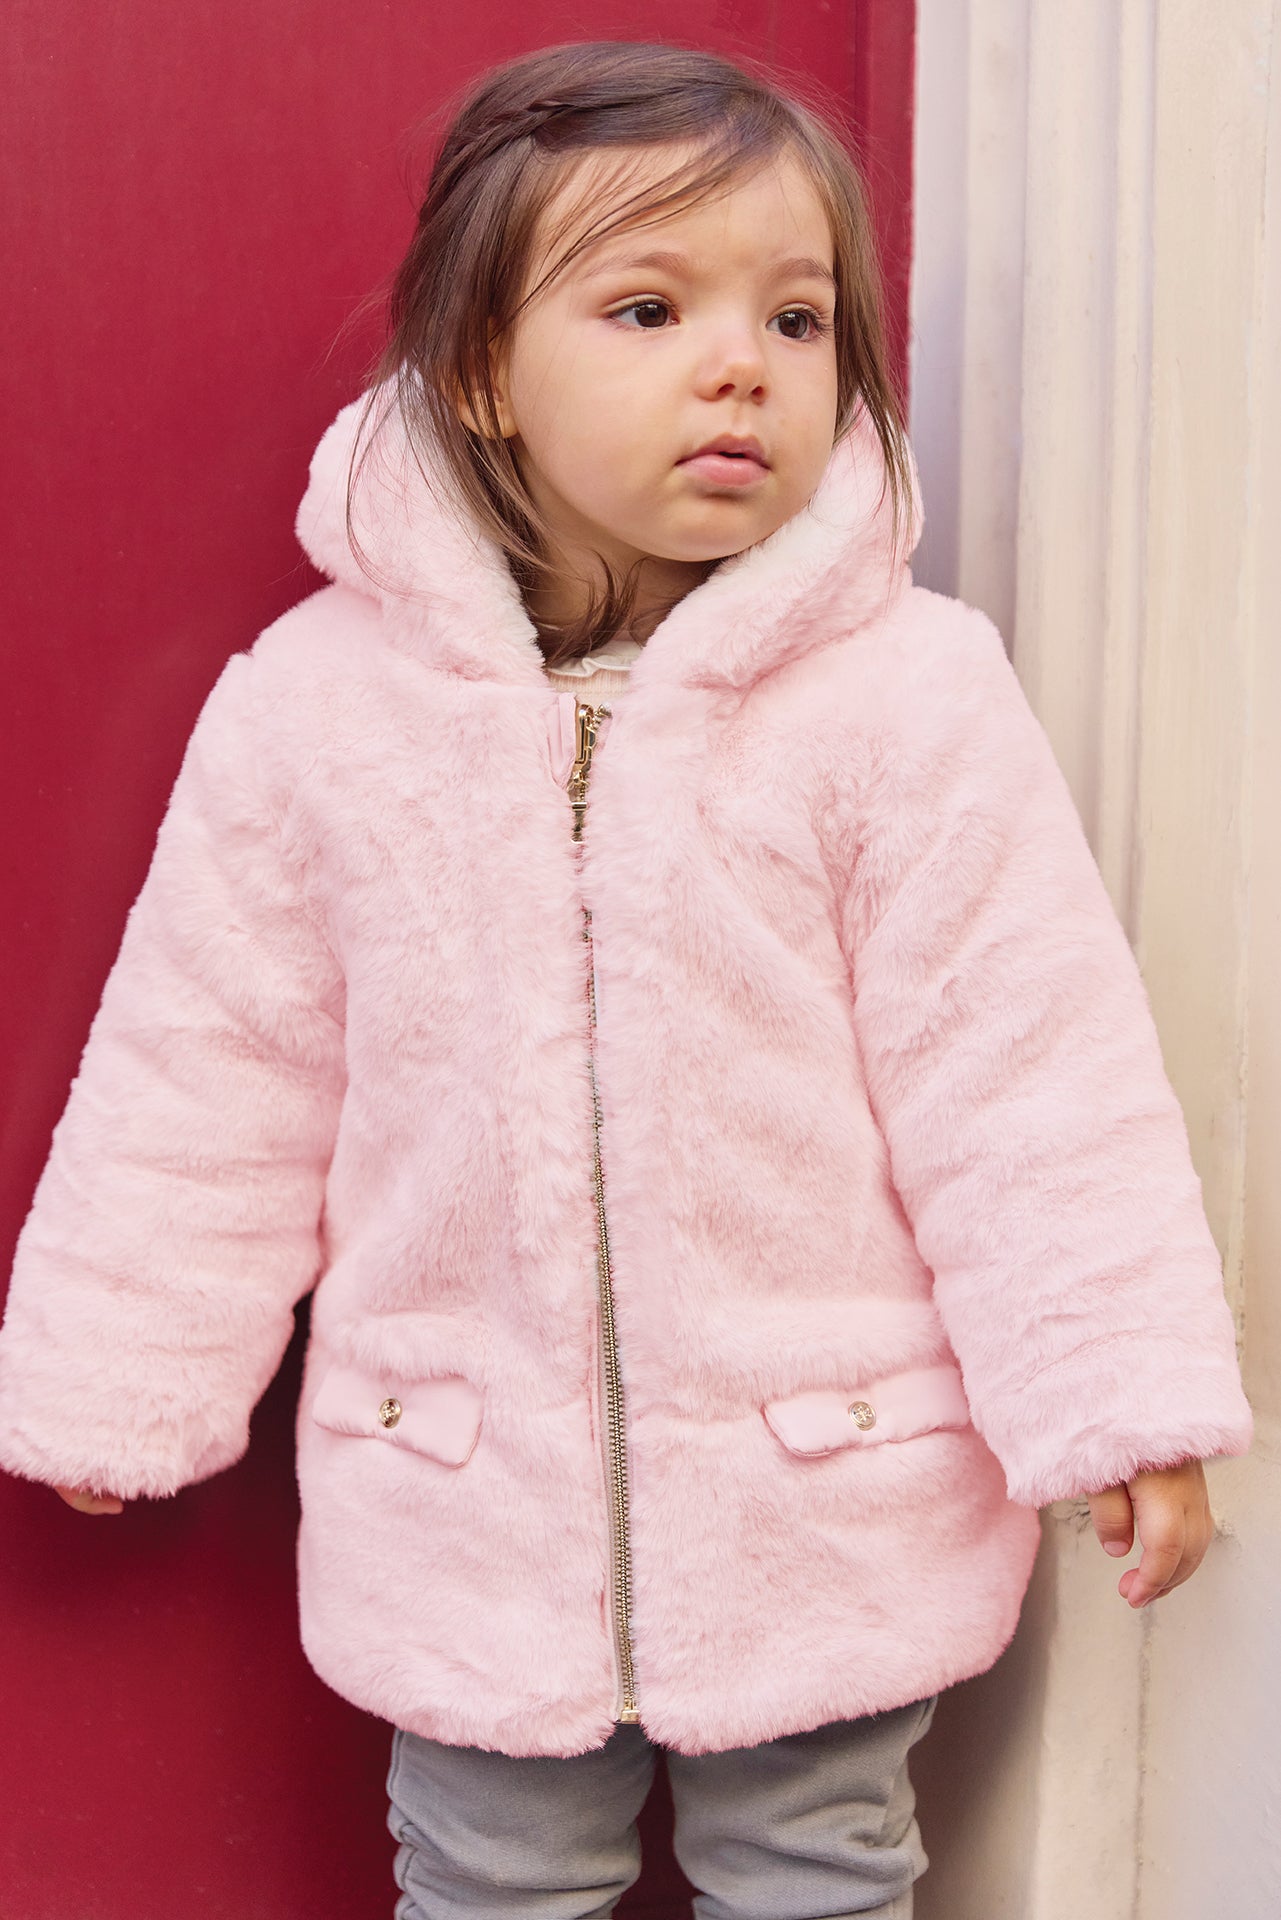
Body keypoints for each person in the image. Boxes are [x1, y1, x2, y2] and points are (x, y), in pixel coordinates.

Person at [0, 38, 1254, 1920]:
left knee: (819, 1870)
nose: (742, 364)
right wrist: (120, 1373)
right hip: (462, 1492)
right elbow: (213, 1066)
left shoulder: (908, 700)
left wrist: (1120, 1398)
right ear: (479, 373)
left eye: (798, 319)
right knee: (487, 1879)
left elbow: (1025, 1072)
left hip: (821, 1487)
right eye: (650, 308)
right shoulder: (320, 713)